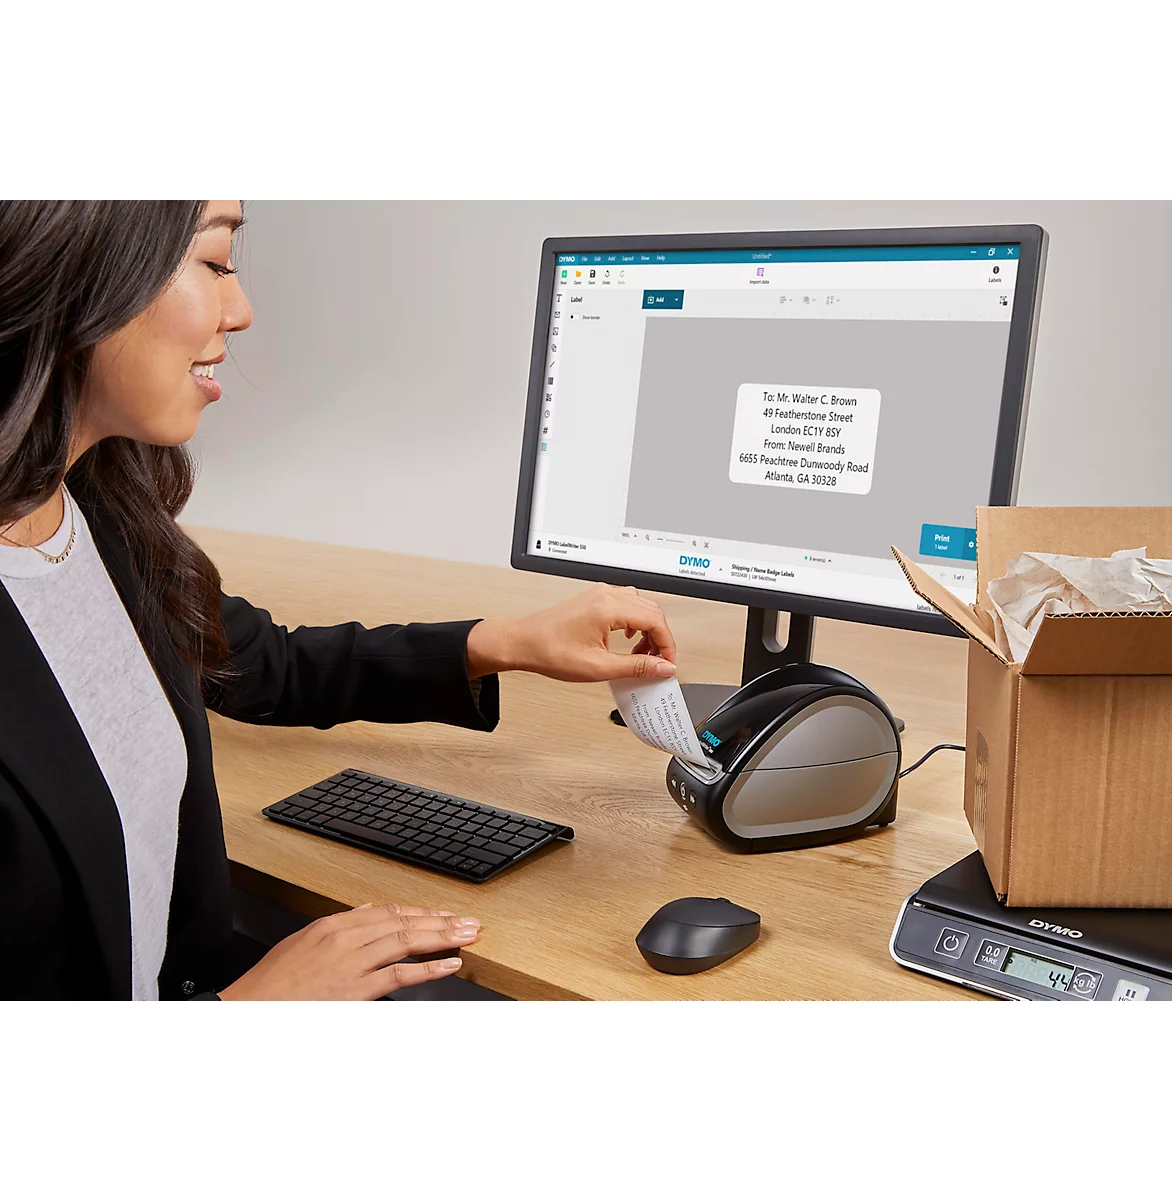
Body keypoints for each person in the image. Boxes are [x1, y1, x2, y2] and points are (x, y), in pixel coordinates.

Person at [0, 200, 680, 1001]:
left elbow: (257, 664)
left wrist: (506, 642)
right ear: (75, 265)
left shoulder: (93, 503)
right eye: (215, 261)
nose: (242, 310)